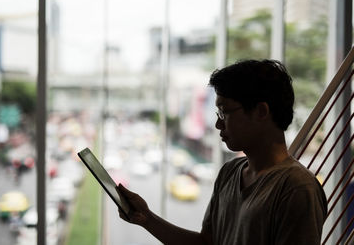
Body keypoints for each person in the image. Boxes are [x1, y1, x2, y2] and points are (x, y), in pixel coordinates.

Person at [117, 59, 328, 245]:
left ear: (261, 112)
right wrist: (147, 219)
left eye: (225, 111)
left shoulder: (296, 188)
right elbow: (206, 242)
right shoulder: (230, 171)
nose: (218, 123)